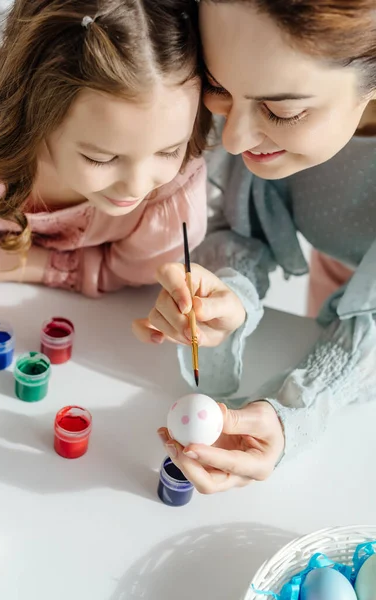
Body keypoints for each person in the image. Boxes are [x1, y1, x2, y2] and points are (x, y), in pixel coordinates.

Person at [134, 0, 376, 493]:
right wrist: (231, 294)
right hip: (344, 251)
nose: (238, 137)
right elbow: (243, 222)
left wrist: (297, 412)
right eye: (219, 87)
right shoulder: (251, 104)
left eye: (282, 110)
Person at [0, 0, 211, 301]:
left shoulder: (173, 200)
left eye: (168, 152)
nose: (137, 187)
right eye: (101, 158)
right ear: (34, 115)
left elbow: (126, 271)